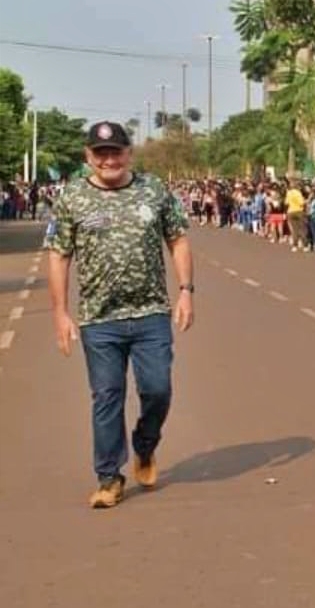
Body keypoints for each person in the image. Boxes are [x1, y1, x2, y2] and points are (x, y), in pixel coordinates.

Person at [46, 121, 194, 509]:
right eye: (100, 153)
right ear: (88, 157)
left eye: (116, 152)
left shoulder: (154, 189)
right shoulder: (71, 198)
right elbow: (59, 255)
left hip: (151, 314)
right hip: (99, 319)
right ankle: (109, 477)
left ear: (129, 153)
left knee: (157, 389)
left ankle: (145, 444)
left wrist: (185, 292)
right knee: (107, 395)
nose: (108, 159)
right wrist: (60, 312)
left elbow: (177, 238)